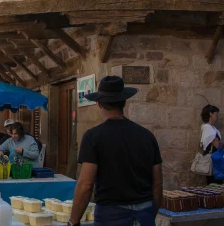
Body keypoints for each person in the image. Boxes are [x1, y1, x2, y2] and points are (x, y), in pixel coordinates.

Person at [69, 76, 163, 226]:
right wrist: (150, 215)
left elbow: (86, 184)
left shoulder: (93, 137)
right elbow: (157, 183)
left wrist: (73, 221)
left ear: (99, 104)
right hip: (144, 212)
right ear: (124, 101)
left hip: (110, 214)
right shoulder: (147, 136)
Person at [200, 104, 223, 184]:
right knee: (215, 184)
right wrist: (222, 145)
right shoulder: (208, 128)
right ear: (211, 114)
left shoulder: (209, 127)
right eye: (216, 114)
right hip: (213, 160)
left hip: (213, 158)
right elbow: (217, 145)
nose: (217, 116)